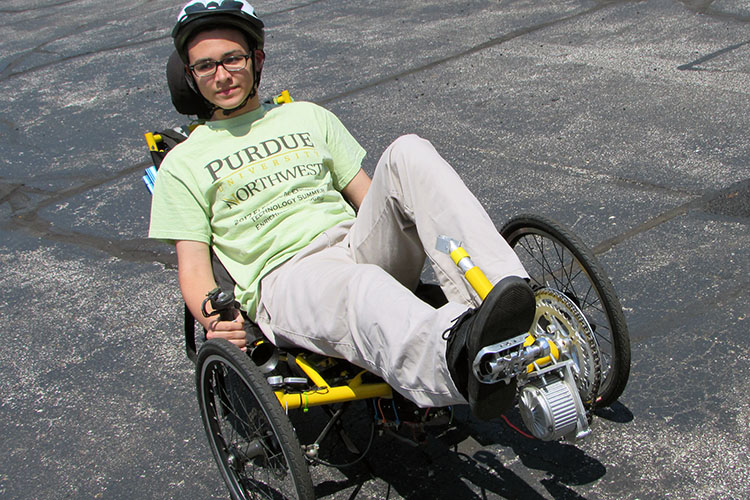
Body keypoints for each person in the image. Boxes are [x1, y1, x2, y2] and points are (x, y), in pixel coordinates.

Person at [149, 0, 536, 420]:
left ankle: (511, 300)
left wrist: (409, 222)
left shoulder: (307, 116)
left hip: (353, 241)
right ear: (190, 76)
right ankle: (457, 363)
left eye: (232, 59)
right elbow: (192, 266)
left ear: (256, 59)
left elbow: (373, 197)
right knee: (359, 286)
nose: (221, 76)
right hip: (286, 276)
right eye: (205, 67)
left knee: (409, 152)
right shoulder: (183, 163)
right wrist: (213, 317)